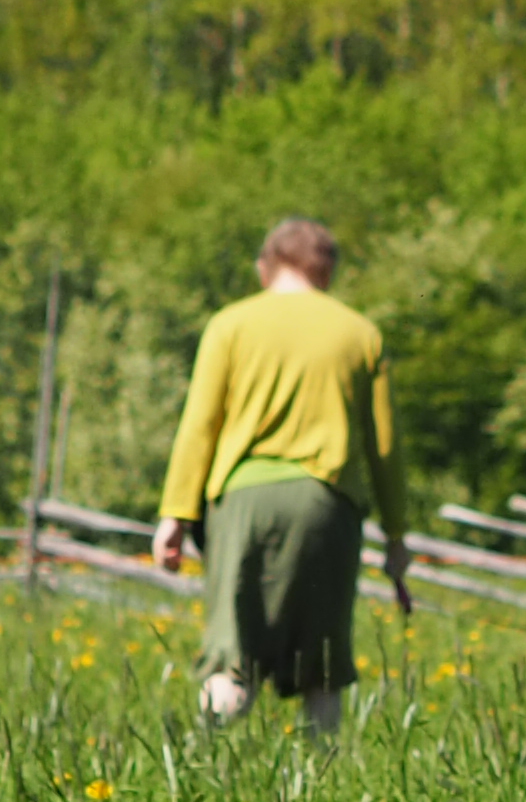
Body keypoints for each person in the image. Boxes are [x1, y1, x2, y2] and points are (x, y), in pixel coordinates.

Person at [151, 216, 410, 730]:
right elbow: (385, 447)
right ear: (326, 272)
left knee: (231, 659)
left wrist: (174, 516)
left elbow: (200, 424)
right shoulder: (360, 333)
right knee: (323, 668)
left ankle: (205, 771)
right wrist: (397, 536)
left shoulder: (230, 324)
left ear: (264, 266)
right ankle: (325, 784)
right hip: (327, 506)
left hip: (241, 502)